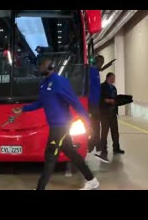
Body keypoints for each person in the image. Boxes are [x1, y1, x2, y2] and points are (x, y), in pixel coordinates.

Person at [12, 57, 99, 190]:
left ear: (51, 66)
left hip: (62, 126)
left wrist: (88, 123)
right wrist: (23, 109)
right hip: (54, 125)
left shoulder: (60, 82)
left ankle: (40, 188)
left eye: (42, 65)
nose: (40, 67)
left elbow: (75, 103)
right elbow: (41, 102)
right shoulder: (44, 84)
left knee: (50, 155)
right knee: (72, 154)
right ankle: (92, 180)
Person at [95, 72, 125, 164]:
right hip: (104, 112)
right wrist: (107, 100)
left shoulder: (114, 88)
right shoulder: (102, 86)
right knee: (104, 131)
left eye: (114, 78)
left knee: (115, 131)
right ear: (108, 78)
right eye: (112, 78)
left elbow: (115, 98)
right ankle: (104, 149)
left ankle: (116, 147)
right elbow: (99, 98)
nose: (114, 79)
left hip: (113, 112)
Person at [88, 55, 104, 153]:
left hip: (95, 103)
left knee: (96, 125)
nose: (102, 65)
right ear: (98, 62)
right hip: (92, 103)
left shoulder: (96, 71)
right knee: (94, 125)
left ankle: (95, 144)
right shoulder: (91, 71)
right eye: (101, 63)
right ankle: (93, 144)